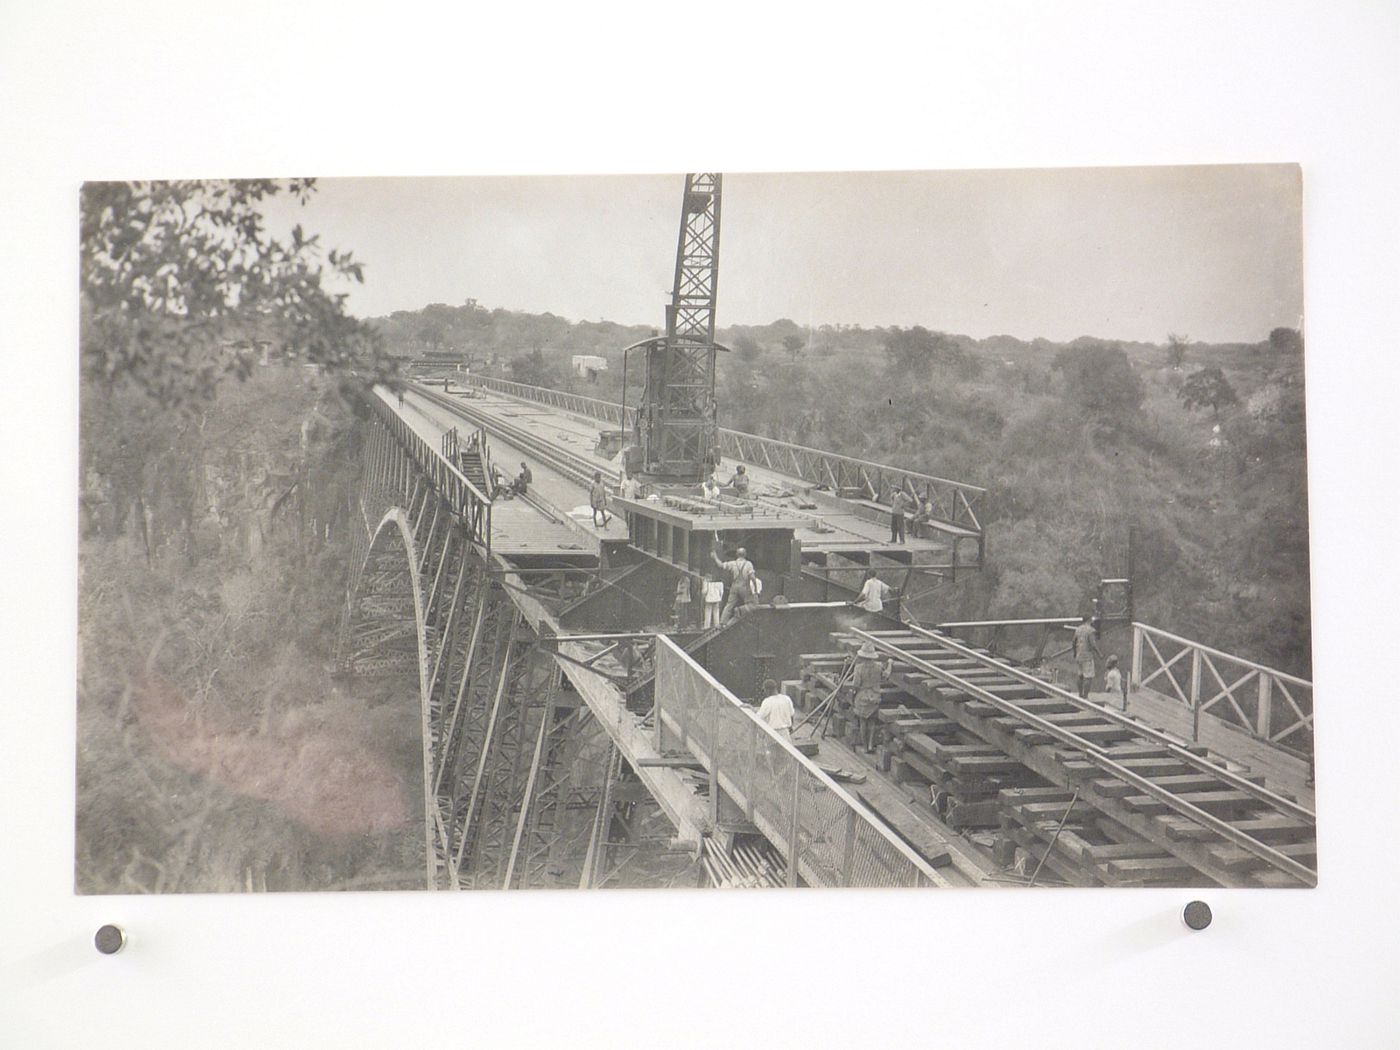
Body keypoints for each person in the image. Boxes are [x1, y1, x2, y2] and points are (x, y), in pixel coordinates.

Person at [849, 642, 892, 753]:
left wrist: (852, 694)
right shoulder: (879, 666)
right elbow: (886, 675)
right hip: (874, 696)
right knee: (872, 721)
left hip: (862, 697)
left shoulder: (858, 668)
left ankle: (864, 746)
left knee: (863, 722)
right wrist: (890, 663)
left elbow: (856, 685)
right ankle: (870, 745)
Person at [711, 542, 756, 625]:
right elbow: (752, 577)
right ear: (745, 554)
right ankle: (741, 610)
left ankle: (722, 623)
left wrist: (715, 557)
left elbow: (720, 565)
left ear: (736, 554)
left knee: (729, 605)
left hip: (734, 586)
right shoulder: (749, 564)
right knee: (751, 603)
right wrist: (755, 590)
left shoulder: (732, 563)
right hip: (744, 587)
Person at [1072, 613, 1102, 699]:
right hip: (1087, 656)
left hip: (1079, 655)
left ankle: (1080, 694)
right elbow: (1093, 644)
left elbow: (1073, 642)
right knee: (1088, 677)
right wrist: (1099, 653)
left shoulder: (1078, 629)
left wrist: (1074, 652)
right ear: (1089, 620)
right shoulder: (1090, 630)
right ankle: (1085, 696)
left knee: (1080, 675)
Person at [756, 679, 795, 743]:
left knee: (774, 752)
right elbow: (792, 715)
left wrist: (751, 709)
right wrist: (790, 728)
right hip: (785, 733)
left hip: (773, 734)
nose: (765, 692)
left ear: (768, 690)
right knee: (785, 752)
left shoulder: (767, 701)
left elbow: (759, 716)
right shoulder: (786, 699)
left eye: (765, 690)